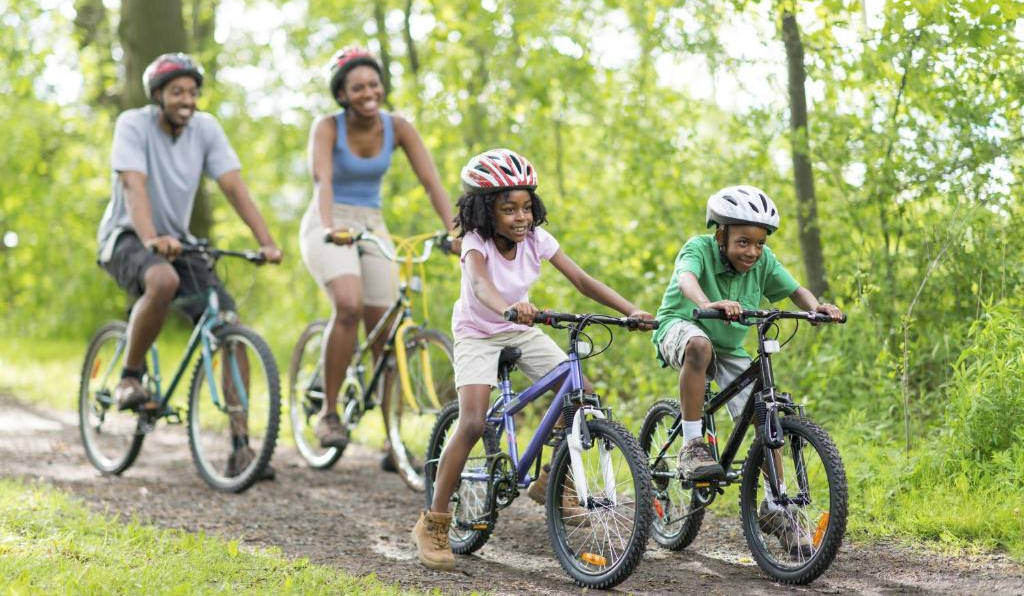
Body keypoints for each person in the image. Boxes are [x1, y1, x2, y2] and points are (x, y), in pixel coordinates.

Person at [411, 148, 654, 571]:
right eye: (509, 209)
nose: (521, 217)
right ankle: (434, 522)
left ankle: (554, 482)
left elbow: (581, 279)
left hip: (520, 327)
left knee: (580, 393)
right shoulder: (474, 243)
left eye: (526, 207)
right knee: (471, 422)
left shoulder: (537, 239)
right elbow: (481, 285)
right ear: (486, 211)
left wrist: (629, 310)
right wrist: (508, 305)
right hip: (477, 332)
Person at [96, 52, 283, 477]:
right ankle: (129, 376)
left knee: (228, 323)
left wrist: (267, 241)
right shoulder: (133, 124)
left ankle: (241, 447)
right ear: (158, 95)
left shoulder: (206, 129)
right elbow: (133, 185)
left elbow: (234, 186)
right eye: (178, 91)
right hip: (126, 235)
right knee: (160, 280)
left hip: (178, 242)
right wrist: (150, 239)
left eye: (193, 92)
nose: (187, 99)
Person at [651, 184, 843, 552]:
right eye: (743, 242)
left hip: (727, 345)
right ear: (720, 235)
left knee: (764, 415)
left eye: (759, 243)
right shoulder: (699, 248)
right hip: (682, 325)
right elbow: (685, 279)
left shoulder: (764, 261)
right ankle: (692, 444)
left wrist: (816, 306)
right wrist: (710, 302)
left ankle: (775, 506)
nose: (752, 251)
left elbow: (795, 289)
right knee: (699, 346)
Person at [299, 46, 457, 451]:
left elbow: (431, 183)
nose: (368, 92)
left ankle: (392, 438)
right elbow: (323, 181)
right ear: (342, 94)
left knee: (385, 328)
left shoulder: (398, 127)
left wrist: (455, 231)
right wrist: (331, 225)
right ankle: (329, 413)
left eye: (374, 84)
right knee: (349, 306)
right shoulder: (327, 128)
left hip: (372, 222)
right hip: (329, 220)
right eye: (357, 87)